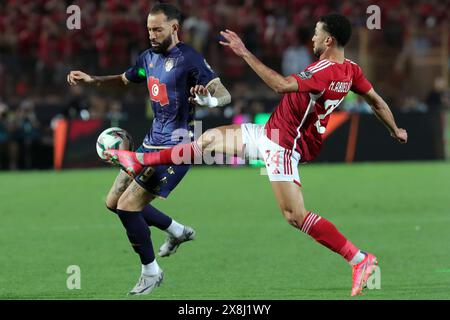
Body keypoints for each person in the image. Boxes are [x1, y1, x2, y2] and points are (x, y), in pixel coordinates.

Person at [105, 14, 407, 296]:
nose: (312, 38)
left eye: (316, 34)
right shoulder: (351, 70)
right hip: (270, 134)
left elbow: (280, 85)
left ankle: (359, 258)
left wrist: (244, 52)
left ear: (328, 41)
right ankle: (141, 160)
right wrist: (395, 129)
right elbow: (376, 101)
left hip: (284, 146)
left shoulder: (323, 71)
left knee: (295, 216)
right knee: (208, 140)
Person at [67, 3, 231, 295]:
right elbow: (125, 80)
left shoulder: (190, 58)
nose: (152, 35)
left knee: (128, 207)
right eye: (149, 29)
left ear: (174, 28)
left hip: (178, 146)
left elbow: (224, 94)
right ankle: (177, 231)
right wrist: (93, 80)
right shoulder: (147, 57)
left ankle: (151, 272)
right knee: (112, 202)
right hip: (150, 140)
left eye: (158, 29)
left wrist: (209, 102)